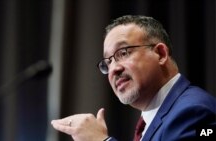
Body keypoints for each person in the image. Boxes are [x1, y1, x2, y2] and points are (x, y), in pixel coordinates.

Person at [51, 15, 216, 141]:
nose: (114, 69)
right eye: (108, 62)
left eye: (123, 53)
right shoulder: (152, 120)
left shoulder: (194, 112)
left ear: (160, 54)